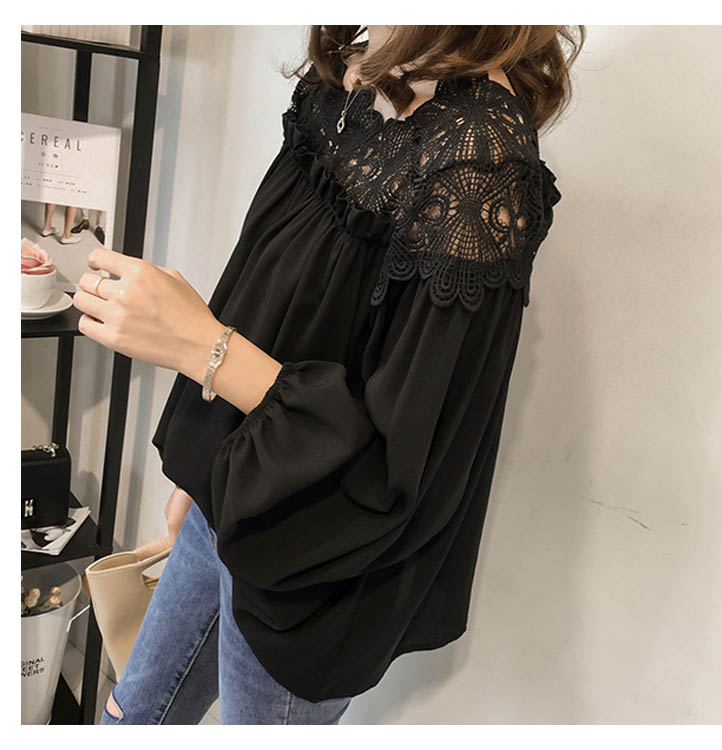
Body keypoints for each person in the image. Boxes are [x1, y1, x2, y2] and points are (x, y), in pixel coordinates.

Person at [72, 25, 582, 724]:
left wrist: (202, 347)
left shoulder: (479, 161)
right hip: (235, 484)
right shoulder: (347, 78)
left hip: (318, 560)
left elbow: (397, 467)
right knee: (130, 716)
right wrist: (205, 454)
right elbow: (271, 285)